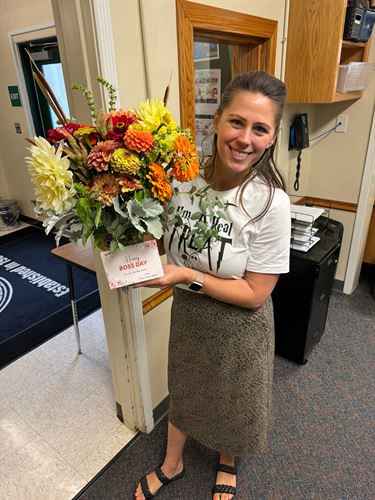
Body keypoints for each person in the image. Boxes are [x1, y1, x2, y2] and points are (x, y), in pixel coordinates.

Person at [134, 71, 291, 500]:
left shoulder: (270, 204)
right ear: (217, 120)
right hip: (189, 314)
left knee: (234, 399)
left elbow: (256, 292)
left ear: (273, 136)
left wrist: (186, 276)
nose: (245, 138)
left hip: (240, 325)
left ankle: (227, 459)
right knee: (183, 387)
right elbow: (168, 238)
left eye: (260, 128)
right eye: (237, 122)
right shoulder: (184, 180)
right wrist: (141, 240)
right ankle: (173, 463)